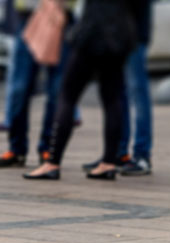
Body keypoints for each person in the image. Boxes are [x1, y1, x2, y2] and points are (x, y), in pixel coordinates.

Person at [22, 0, 144, 181]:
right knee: (112, 98)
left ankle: (52, 162)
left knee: (68, 96)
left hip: (93, 32)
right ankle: (109, 163)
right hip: (120, 34)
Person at [0, 0, 77, 169]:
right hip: (28, 17)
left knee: (56, 90)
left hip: (60, 17)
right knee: (20, 87)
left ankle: (48, 149)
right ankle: (16, 149)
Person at [82, 0, 154, 176]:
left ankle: (142, 155)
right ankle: (117, 153)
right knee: (117, 92)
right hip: (115, 34)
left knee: (137, 91)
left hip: (134, 34)